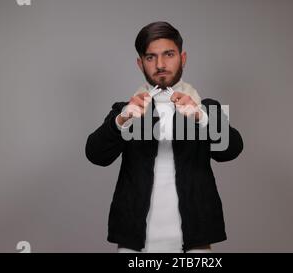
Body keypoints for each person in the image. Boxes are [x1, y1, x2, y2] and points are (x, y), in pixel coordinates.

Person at [85, 21, 243, 253]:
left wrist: (202, 118)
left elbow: (231, 150)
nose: (160, 65)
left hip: (195, 242)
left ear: (183, 58)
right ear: (140, 64)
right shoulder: (126, 109)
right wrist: (120, 120)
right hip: (134, 243)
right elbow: (96, 155)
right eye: (151, 57)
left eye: (168, 54)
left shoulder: (205, 108)